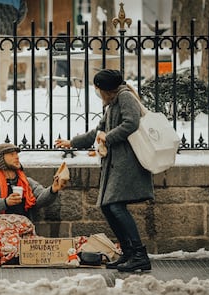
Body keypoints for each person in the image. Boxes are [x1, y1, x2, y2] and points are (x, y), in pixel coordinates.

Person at [55, 69, 154, 273]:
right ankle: (128, 252)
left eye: (97, 88)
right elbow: (97, 131)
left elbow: (131, 123)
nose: (96, 91)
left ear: (104, 88)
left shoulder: (125, 97)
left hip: (127, 163)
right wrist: (72, 142)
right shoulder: (112, 103)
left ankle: (139, 255)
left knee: (115, 206)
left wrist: (107, 138)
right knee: (108, 206)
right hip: (115, 163)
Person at [0, 143, 66, 222]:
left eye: (16, 154)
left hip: (24, 229)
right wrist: (5, 202)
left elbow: (40, 199)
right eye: (11, 154)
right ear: (1, 158)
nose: (17, 157)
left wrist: (53, 189)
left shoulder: (26, 181)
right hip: (0, 232)